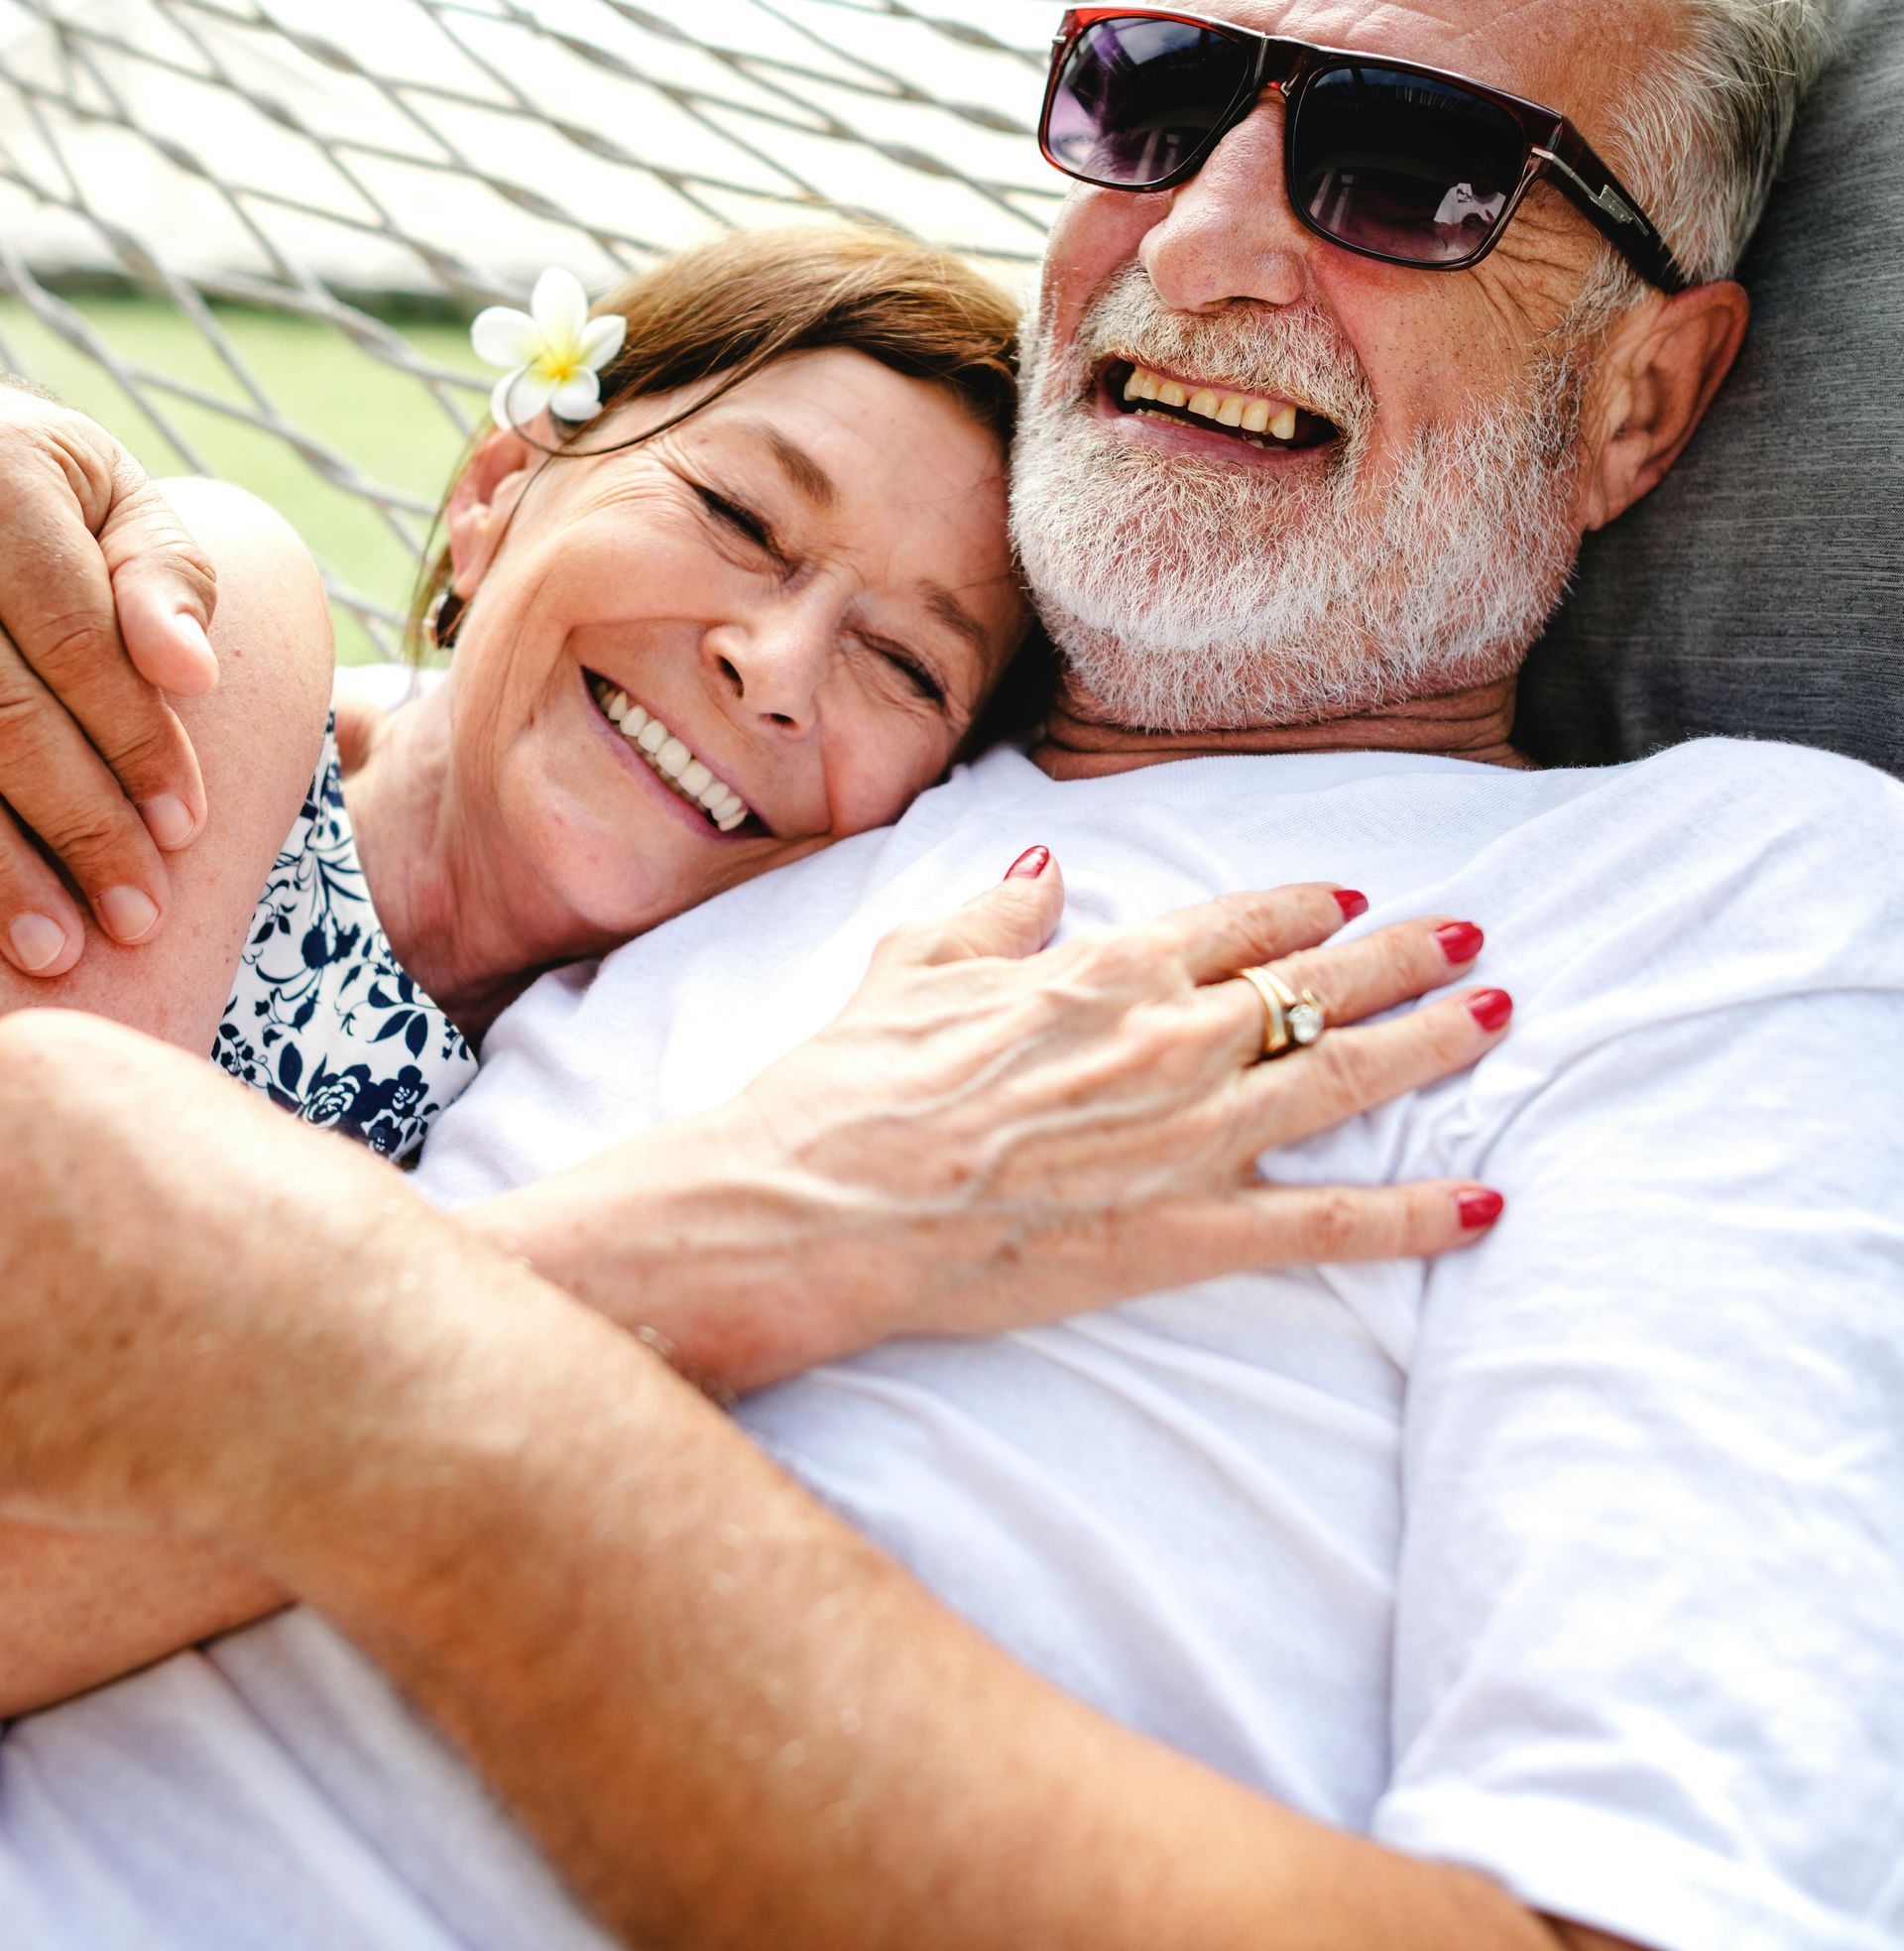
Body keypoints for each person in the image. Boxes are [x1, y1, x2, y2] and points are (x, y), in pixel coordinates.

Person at [1, 4, 1901, 1951]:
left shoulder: (1728, 905)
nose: (1194, 243)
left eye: (1411, 170)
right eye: (1147, 100)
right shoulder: (750, 807)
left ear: (1644, 399)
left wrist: (392, 1379)